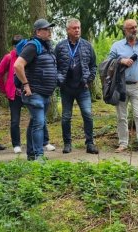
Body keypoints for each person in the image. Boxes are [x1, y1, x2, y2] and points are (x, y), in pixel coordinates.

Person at [107, 19, 138, 156]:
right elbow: (108, 62)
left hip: (137, 86)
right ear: (125, 30)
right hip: (120, 86)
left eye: (135, 27)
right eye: (131, 28)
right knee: (121, 116)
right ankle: (123, 143)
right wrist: (120, 60)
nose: (134, 30)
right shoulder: (117, 46)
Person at [13, 19, 60, 161]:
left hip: (45, 93)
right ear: (38, 32)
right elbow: (18, 65)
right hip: (35, 93)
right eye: (46, 29)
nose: (49, 32)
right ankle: (39, 156)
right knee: (39, 123)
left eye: (50, 29)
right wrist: (26, 85)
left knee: (35, 122)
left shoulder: (47, 47)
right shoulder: (33, 46)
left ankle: (31, 154)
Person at [0, 35, 51, 155]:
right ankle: (16, 144)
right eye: (15, 45)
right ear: (13, 46)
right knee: (15, 120)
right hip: (14, 94)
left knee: (37, 118)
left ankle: (45, 142)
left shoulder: (30, 53)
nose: (17, 47)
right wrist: (4, 89)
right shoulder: (9, 57)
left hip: (29, 92)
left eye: (19, 44)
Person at [55, 18, 99, 154]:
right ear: (68, 30)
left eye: (78, 27)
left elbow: (93, 66)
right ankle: (67, 143)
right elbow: (54, 65)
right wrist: (59, 80)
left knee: (87, 114)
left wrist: (88, 80)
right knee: (66, 117)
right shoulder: (60, 46)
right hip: (66, 89)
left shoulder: (87, 45)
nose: (77, 30)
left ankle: (90, 143)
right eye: (74, 28)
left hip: (82, 88)